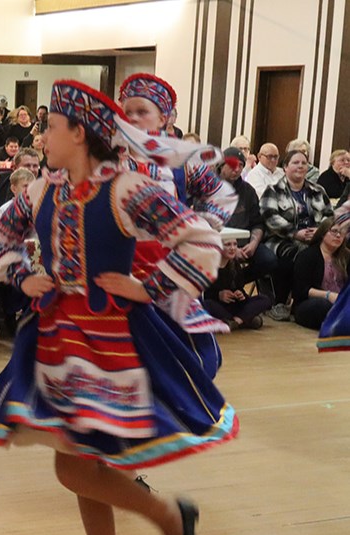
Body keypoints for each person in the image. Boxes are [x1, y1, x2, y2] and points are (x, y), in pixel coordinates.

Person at [0, 79, 238, 535]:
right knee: (80, 468)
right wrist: (24, 277)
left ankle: (165, 522)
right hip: (57, 338)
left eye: (49, 125)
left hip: (113, 343)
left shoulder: (126, 189)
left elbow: (201, 239)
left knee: (74, 466)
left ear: (78, 133)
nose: (41, 134)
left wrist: (149, 286)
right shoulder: (43, 190)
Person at [118, 72, 236, 374]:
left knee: (198, 356)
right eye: (126, 111)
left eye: (142, 112)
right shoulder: (105, 158)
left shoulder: (181, 161)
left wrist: (200, 231)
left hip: (169, 270)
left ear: (164, 118)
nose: (133, 118)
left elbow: (221, 193)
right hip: (119, 268)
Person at [260, 149, 333, 316]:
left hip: (315, 238)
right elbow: (269, 217)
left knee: (319, 256)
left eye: (303, 163)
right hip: (281, 239)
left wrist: (319, 231)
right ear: (285, 167)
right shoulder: (273, 190)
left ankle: (306, 300)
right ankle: (279, 302)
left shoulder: (318, 190)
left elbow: (329, 216)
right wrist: (295, 233)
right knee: (294, 256)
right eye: (295, 163)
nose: (300, 166)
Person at [218, 147, 277, 285]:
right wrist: (231, 248)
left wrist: (253, 244)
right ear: (221, 165)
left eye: (241, 165)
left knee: (269, 260)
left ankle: (238, 282)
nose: (237, 169)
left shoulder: (248, 190)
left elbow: (257, 222)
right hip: (218, 244)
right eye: (233, 164)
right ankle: (221, 289)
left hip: (246, 244)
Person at [202, 239, 272, 330]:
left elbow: (239, 286)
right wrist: (219, 295)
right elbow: (204, 294)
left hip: (235, 305)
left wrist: (240, 294)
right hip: (219, 305)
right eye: (228, 245)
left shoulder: (234, 264)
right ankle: (246, 319)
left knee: (264, 299)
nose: (232, 248)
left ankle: (236, 321)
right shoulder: (209, 266)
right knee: (207, 304)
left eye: (235, 245)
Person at [292, 218, 348, 329]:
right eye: (334, 231)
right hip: (312, 302)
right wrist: (328, 295)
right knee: (324, 306)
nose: (338, 236)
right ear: (322, 234)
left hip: (341, 301)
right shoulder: (307, 256)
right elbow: (300, 290)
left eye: (341, 233)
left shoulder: (346, 257)